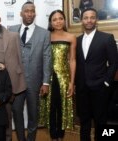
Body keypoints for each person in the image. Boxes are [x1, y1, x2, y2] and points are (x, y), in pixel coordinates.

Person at [8, 1, 51, 141]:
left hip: (35, 81)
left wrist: (45, 82)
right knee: (16, 111)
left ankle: (31, 139)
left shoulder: (44, 33)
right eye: (27, 11)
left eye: (32, 11)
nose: (30, 13)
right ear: (21, 13)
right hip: (16, 82)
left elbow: (47, 57)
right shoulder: (11, 30)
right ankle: (21, 138)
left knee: (33, 113)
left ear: (35, 13)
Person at [75, 8, 118, 141]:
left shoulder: (107, 38)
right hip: (82, 89)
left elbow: (114, 63)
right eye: (86, 17)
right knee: (84, 122)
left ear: (96, 19)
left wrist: (106, 82)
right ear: (82, 20)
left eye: (92, 17)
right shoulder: (76, 40)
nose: (89, 20)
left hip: (100, 88)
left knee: (101, 122)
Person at [0, 9, 27, 141]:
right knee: (5, 119)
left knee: (18, 117)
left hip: (16, 84)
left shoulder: (13, 36)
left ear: (0, 19)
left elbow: (20, 59)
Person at [39, 10, 76, 141]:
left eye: (60, 18)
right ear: (50, 22)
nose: (58, 21)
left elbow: (72, 60)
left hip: (64, 77)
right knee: (50, 106)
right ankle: (53, 135)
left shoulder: (71, 37)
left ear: (64, 20)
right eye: (54, 19)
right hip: (47, 77)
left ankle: (60, 135)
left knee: (61, 106)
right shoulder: (45, 36)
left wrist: (72, 82)